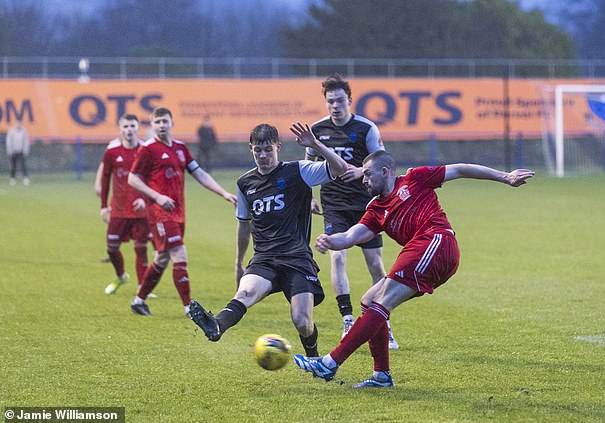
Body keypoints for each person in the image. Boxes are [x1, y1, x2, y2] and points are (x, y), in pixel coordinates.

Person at [294, 151, 534, 388]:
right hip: (422, 250)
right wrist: (330, 240)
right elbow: (351, 236)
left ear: (385, 171)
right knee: (369, 300)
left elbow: (460, 168)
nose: (363, 180)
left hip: (437, 241)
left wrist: (505, 177)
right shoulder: (376, 209)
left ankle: (329, 362)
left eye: (367, 174)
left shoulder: (414, 178)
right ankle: (381, 376)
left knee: (381, 301)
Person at [188, 122, 348, 357]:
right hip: (264, 259)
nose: (262, 156)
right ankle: (216, 326)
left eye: (268, 150)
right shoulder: (245, 183)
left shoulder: (299, 171)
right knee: (244, 294)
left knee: (302, 322)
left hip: (297, 259)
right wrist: (238, 263)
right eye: (257, 151)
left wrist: (315, 144)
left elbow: (341, 168)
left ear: (278, 147)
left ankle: (314, 358)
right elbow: (244, 226)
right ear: (251, 149)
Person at [306, 73, 398, 348]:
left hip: (365, 203)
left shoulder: (365, 128)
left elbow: (383, 160)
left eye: (340, 100)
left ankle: (383, 320)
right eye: (331, 101)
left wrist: (361, 171)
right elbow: (307, 166)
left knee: (375, 263)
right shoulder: (318, 130)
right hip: (333, 203)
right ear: (326, 102)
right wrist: (308, 196)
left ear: (350, 100)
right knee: (337, 259)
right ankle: (347, 320)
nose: (335, 106)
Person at [127, 107, 237, 317]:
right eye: (157, 122)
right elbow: (132, 178)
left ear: (171, 123)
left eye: (164, 121)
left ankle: (138, 301)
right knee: (179, 253)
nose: (161, 125)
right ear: (152, 125)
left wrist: (223, 193)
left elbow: (199, 173)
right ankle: (189, 308)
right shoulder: (148, 149)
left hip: (178, 213)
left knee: (162, 258)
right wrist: (157, 197)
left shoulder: (180, 148)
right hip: (159, 213)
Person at [99, 114, 150, 295]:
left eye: (132, 126)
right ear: (120, 129)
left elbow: (152, 178)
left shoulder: (145, 150)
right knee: (111, 248)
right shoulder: (111, 151)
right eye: (126, 126)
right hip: (119, 210)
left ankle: (142, 288)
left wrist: (145, 199)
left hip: (141, 211)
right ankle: (121, 277)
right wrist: (104, 206)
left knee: (141, 248)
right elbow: (105, 179)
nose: (129, 130)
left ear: (138, 128)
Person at [6, 119, 30, 186]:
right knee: (13, 166)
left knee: (23, 165)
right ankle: (12, 179)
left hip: (21, 151)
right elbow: (9, 142)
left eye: (19, 123)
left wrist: (25, 151)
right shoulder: (11, 131)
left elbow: (26, 141)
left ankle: (25, 179)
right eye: (17, 123)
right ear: (15, 124)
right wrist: (10, 151)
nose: (18, 124)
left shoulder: (24, 131)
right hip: (13, 151)